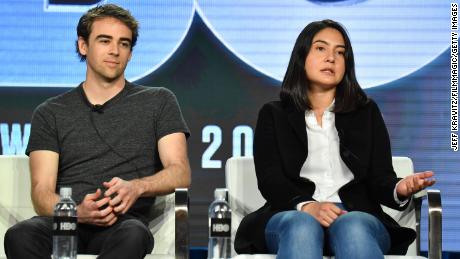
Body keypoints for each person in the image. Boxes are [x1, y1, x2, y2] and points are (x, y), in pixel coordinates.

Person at [234, 19, 435, 259]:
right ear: (302, 56)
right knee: (302, 226)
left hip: (355, 216)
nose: (331, 58)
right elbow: (271, 180)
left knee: (352, 226)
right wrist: (307, 206)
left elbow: (380, 178)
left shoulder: (366, 113)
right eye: (321, 48)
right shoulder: (274, 114)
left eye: (340, 53)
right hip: (292, 214)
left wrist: (399, 188)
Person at [4, 4, 191, 259]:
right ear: (83, 45)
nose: (115, 51)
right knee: (20, 235)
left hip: (123, 225)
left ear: (131, 53)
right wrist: (77, 211)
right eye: (105, 41)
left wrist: (137, 187)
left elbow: (180, 172)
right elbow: (41, 192)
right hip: (68, 223)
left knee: (133, 235)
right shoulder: (51, 112)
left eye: (124, 44)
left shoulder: (159, 101)